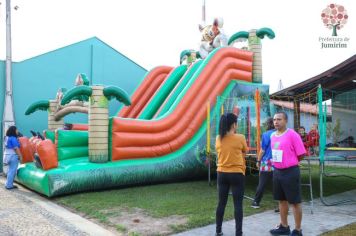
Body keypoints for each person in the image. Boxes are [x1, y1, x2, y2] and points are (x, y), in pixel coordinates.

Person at [270, 112, 306, 236]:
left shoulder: (293, 135)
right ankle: (284, 226)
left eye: (279, 119)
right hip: (277, 172)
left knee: (295, 201)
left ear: (285, 121)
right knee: (281, 200)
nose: (276, 122)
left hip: (290, 172)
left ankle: (298, 230)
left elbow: (301, 154)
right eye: (274, 119)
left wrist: (291, 162)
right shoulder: (272, 136)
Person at [215, 113, 248, 236]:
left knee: (221, 203)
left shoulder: (218, 138)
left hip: (221, 174)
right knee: (238, 204)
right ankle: (238, 233)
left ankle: (218, 231)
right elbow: (245, 150)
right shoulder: (240, 137)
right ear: (234, 124)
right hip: (237, 174)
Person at [251, 118, 275, 209]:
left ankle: (256, 202)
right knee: (278, 184)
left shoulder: (266, 134)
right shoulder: (281, 134)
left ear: (267, 125)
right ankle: (281, 205)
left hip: (267, 162)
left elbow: (262, 150)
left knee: (262, 183)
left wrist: (258, 160)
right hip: (278, 162)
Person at [3, 126, 22, 190]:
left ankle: (8, 184)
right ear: (13, 131)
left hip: (7, 155)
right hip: (13, 155)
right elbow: (16, 148)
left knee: (10, 170)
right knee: (12, 171)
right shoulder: (13, 138)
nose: (17, 131)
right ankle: (9, 185)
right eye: (16, 130)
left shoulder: (6, 138)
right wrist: (20, 156)